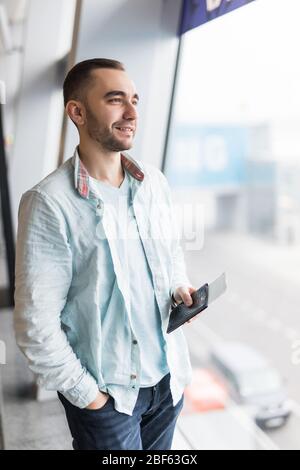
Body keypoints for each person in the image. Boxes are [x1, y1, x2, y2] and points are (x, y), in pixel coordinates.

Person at [14, 58, 199, 450]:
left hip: (167, 384)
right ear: (77, 112)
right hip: (109, 399)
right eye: (116, 100)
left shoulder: (153, 184)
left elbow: (170, 256)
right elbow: (35, 326)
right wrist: (92, 400)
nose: (132, 112)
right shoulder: (49, 203)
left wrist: (178, 288)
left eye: (135, 100)